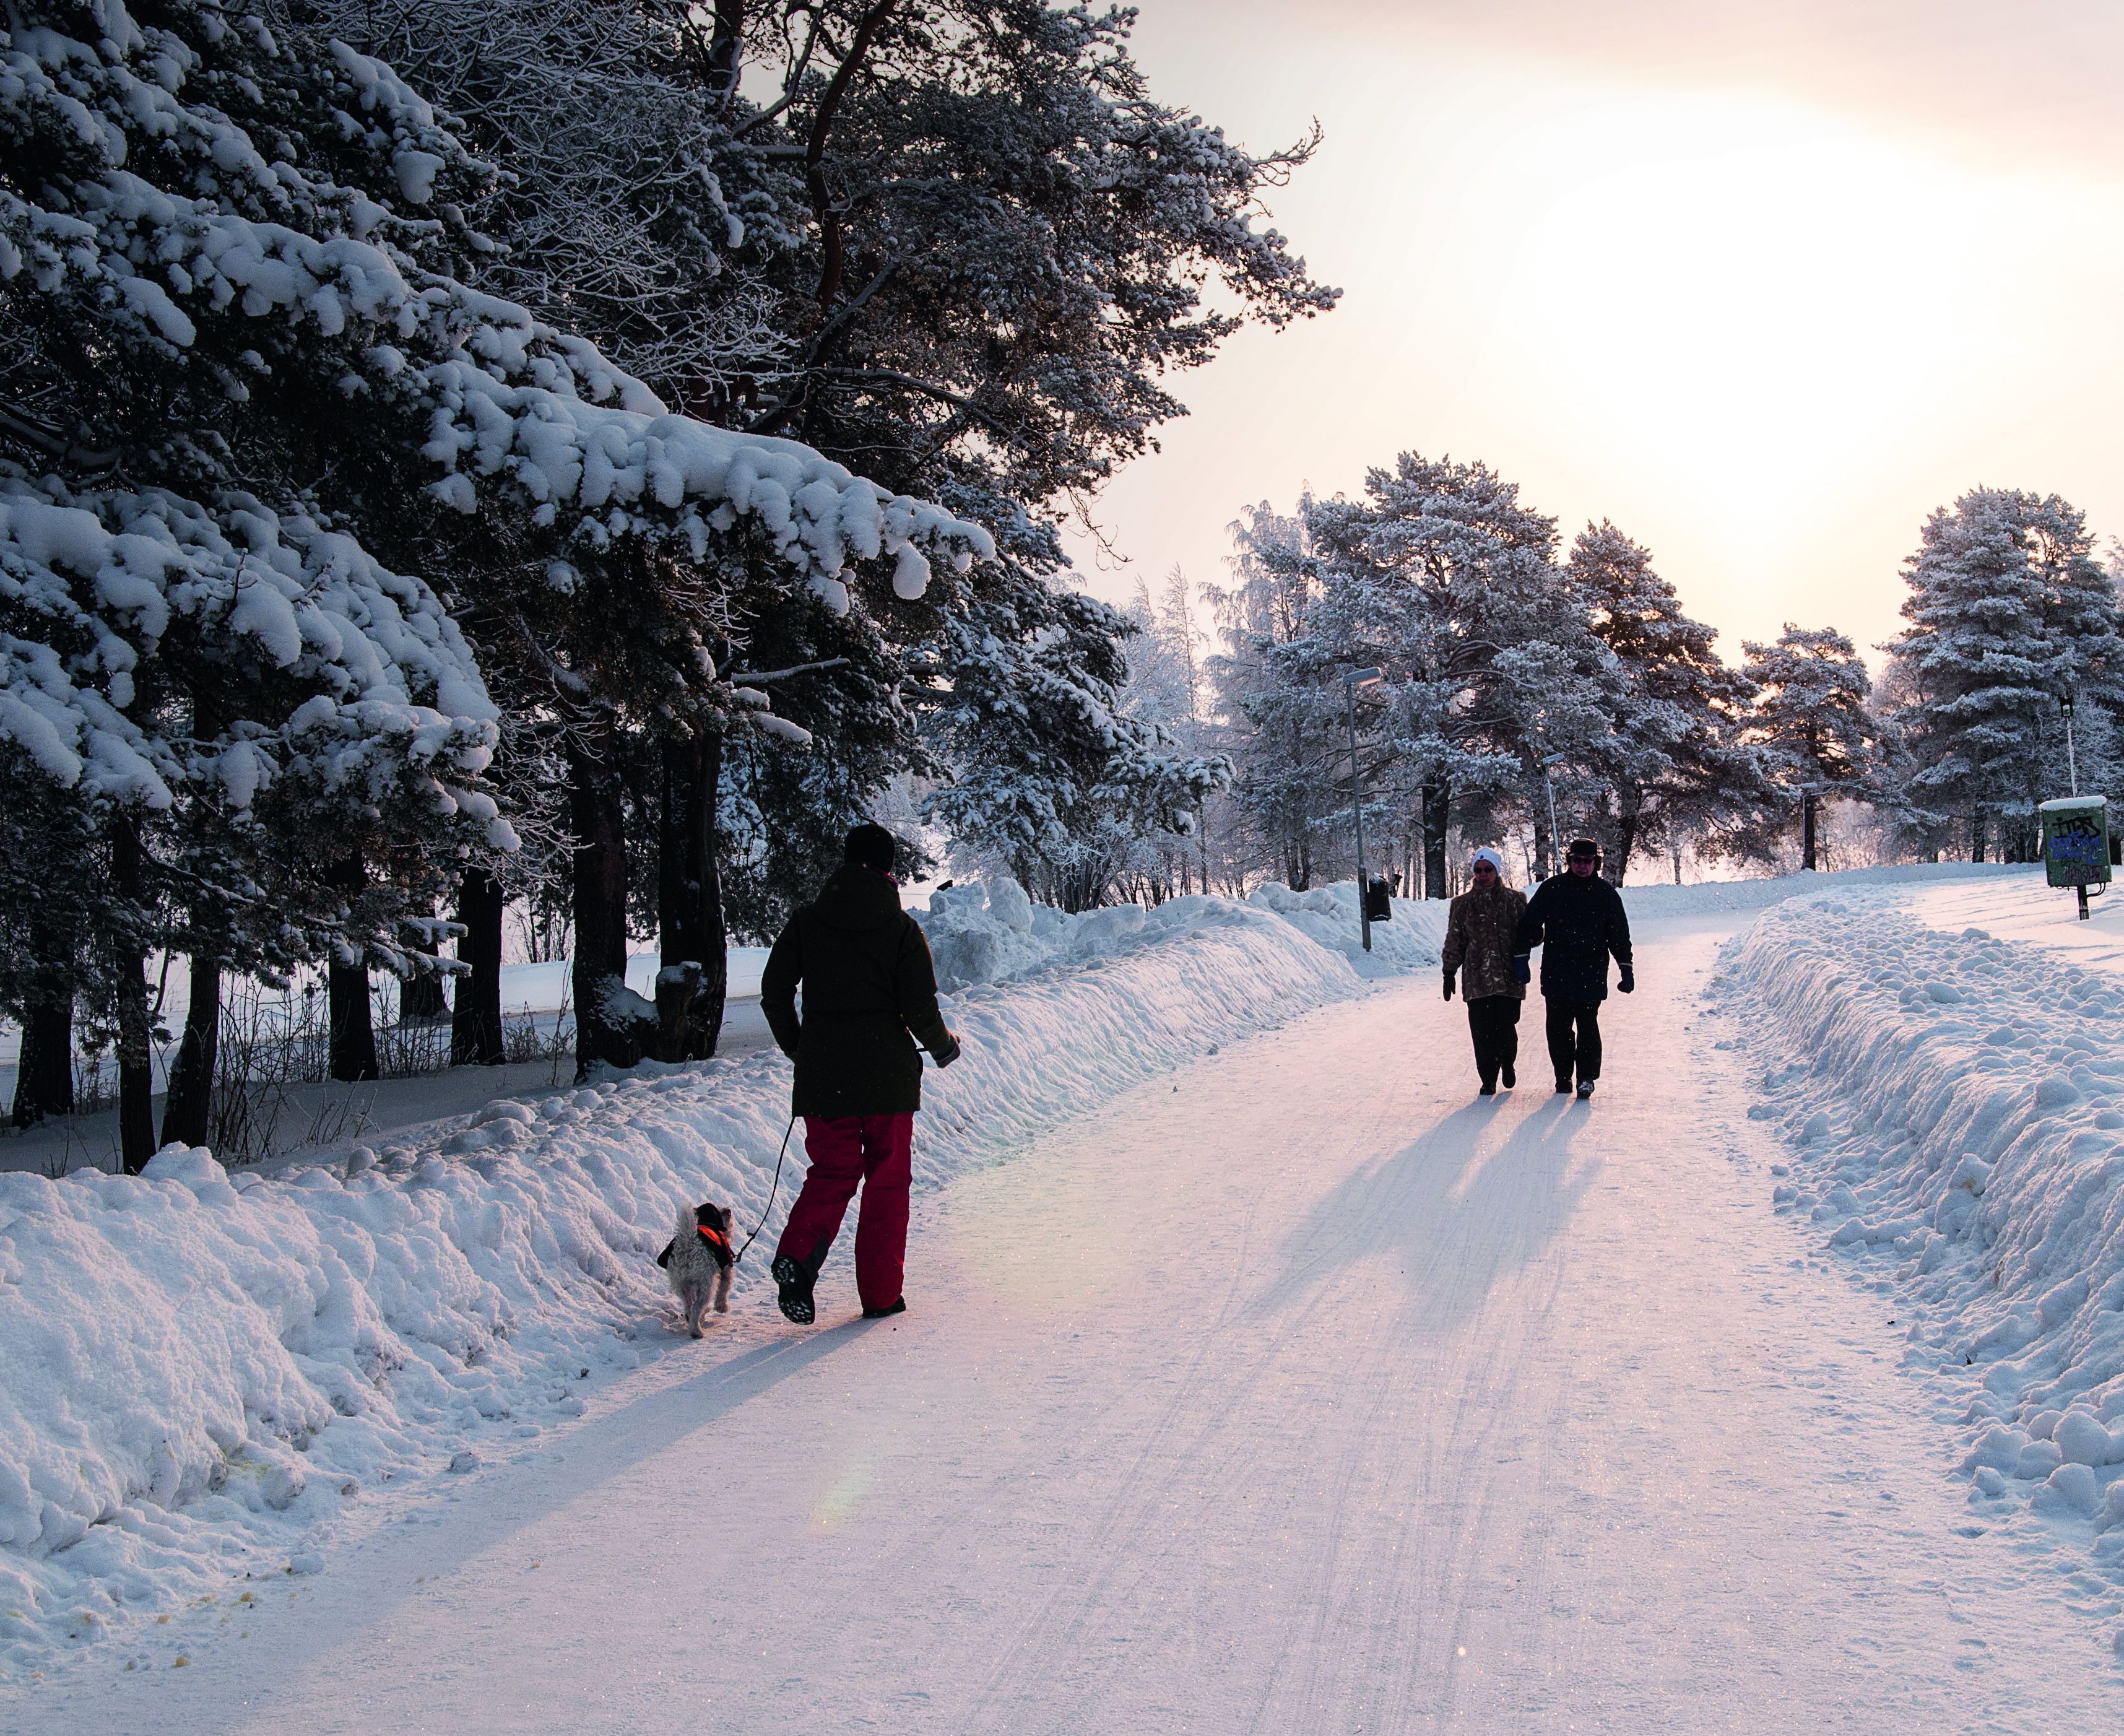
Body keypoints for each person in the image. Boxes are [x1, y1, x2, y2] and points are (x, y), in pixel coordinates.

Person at [760, 823, 961, 1324]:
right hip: (887, 1079)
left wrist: (801, 1049)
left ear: (846, 862)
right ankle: (879, 1295)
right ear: (889, 869)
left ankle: (797, 1259)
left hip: (824, 1078)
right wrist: (942, 1047)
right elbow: (919, 1005)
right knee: (887, 1182)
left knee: (832, 1172)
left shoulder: (807, 922)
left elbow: (773, 993)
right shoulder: (900, 930)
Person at [1511, 837, 1634, 1101]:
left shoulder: (1606, 895)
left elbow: (1619, 935)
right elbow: (1529, 924)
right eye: (1577, 861)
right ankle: (1563, 1075)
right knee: (1558, 1029)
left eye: (1587, 862)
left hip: (1592, 972)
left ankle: (1587, 1077)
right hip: (1557, 972)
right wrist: (1523, 954)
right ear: (1569, 861)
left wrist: (1626, 968)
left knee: (1588, 1026)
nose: (1581, 866)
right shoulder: (1552, 889)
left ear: (1596, 864)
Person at [1441, 845, 1527, 1096]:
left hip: (1509, 980)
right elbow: (1454, 940)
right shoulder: (1462, 905)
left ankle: (1507, 1063)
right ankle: (1488, 1078)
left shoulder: (1515, 901)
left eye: (1488, 869)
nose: (1483, 874)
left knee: (1506, 1029)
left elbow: (1529, 934)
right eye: (1478, 870)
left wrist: (1536, 936)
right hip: (1477, 980)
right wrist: (1449, 972)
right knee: (1481, 1034)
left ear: (1496, 871)